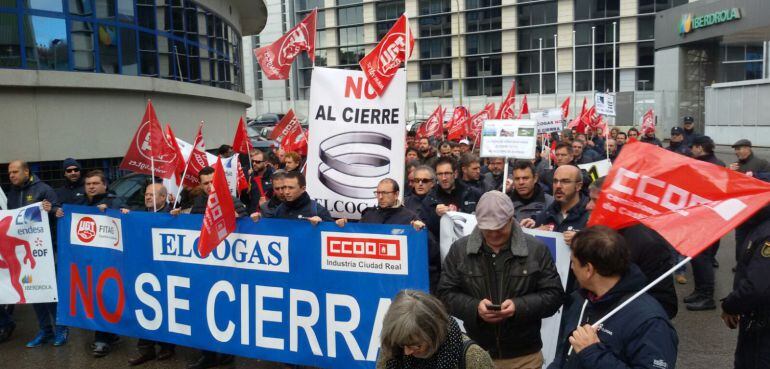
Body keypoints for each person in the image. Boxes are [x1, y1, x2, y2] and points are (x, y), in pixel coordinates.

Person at [438, 191, 565, 367]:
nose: (494, 234)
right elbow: (445, 294)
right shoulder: (460, 250)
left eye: (499, 228)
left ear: (511, 219)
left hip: (524, 357)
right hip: (476, 354)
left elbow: (555, 295)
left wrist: (518, 307)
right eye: (488, 230)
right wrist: (475, 308)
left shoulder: (536, 249)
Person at [549, 226, 678, 369]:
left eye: (573, 262)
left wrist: (592, 353)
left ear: (588, 270)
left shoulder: (651, 322)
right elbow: (564, 355)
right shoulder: (581, 299)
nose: (572, 267)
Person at [181, 166, 247, 369]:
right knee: (203, 308)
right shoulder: (198, 202)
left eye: (213, 182)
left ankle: (227, 354)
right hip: (205, 265)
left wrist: (240, 217)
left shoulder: (233, 201)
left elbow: (249, 228)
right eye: (206, 183)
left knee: (226, 310)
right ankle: (207, 355)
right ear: (200, 185)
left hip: (227, 267)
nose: (210, 187)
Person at [585, 177, 678, 319]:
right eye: (590, 199)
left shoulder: (649, 244)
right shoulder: (593, 232)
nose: (588, 206)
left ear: (617, 204)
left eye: (597, 201)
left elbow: (666, 304)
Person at [4, 160, 63, 347]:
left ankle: (61, 329)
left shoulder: (43, 189)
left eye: (15, 171)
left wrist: (51, 210)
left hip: (45, 250)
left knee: (49, 291)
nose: (12, 175)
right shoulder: (12, 193)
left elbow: (59, 212)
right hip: (23, 251)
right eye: (9, 173)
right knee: (32, 292)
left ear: (26, 171)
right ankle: (45, 331)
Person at [377, 290, 495, 369]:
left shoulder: (472, 357)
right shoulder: (394, 351)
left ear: (434, 334)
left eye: (416, 346)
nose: (407, 353)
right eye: (403, 345)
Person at [127, 183, 176, 365]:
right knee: (143, 308)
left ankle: (167, 347)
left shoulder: (172, 215)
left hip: (164, 271)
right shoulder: (138, 214)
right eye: (146, 194)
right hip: (143, 269)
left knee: (164, 308)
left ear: (163, 198)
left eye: (152, 195)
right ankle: (146, 349)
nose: (147, 197)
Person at [721, 205, 770, 369]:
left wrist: (731, 305)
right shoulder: (759, 227)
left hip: (762, 323)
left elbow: (756, 285)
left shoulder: (766, 233)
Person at [682, 135, 726, 311]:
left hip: (708, 218)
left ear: (700, 148)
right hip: (699, 217)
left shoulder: (713, 165)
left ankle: (707, 296)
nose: (691, 150)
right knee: (696, 257)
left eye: (693, 147)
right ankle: (699, 291)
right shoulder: (704, 163)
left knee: (703, 259)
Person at [421, 157, 481, 237]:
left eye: (447, 173)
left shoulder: (472, 194)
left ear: (455, 174)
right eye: (440, 174)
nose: (444, 178)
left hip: (468, 244)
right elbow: (425, 230)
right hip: (442, 246)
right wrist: (436, 215)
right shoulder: (430, 199)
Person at [523, 165, 590, 234]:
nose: (558, 186)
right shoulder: (547, 214)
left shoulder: (590, 214)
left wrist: (580, 239)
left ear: (578, 186)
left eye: (565, 181)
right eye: (555, 181)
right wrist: (533, 230)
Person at [253, 171, 333, 224]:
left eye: (291, 188)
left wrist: (322, 224)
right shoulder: (280, 209)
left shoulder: (317, 210)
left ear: (303, 189)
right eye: (285, 187)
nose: (286, 192)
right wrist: (261, 220)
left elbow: (331, 235)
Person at [247, 149, 274, 214]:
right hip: (253, 214)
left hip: (269, 214)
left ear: (265, 163)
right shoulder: (250, 176)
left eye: (257, 162)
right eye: (253, 161)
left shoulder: (274, 176)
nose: (254, 164)